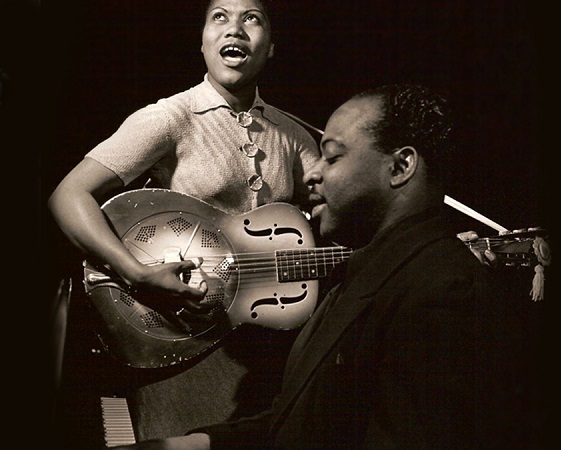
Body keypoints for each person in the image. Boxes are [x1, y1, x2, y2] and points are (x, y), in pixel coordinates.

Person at [107, 83, 534, 449]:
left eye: (332, 157)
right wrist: (197, 443)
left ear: (401, 166)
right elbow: (304, 424)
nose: (312, 175)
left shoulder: (445, 295)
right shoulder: (366, 275)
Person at [48, 0, 320, 446]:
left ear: (270, 47)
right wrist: (137, 273)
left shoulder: (293, 136)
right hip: (184, 338)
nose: (235, 29)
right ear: (203, 43)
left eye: (251, 18)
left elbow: (345, 210)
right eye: (220, 17)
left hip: (266, 346)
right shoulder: (170, 118)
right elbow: (68, 196)